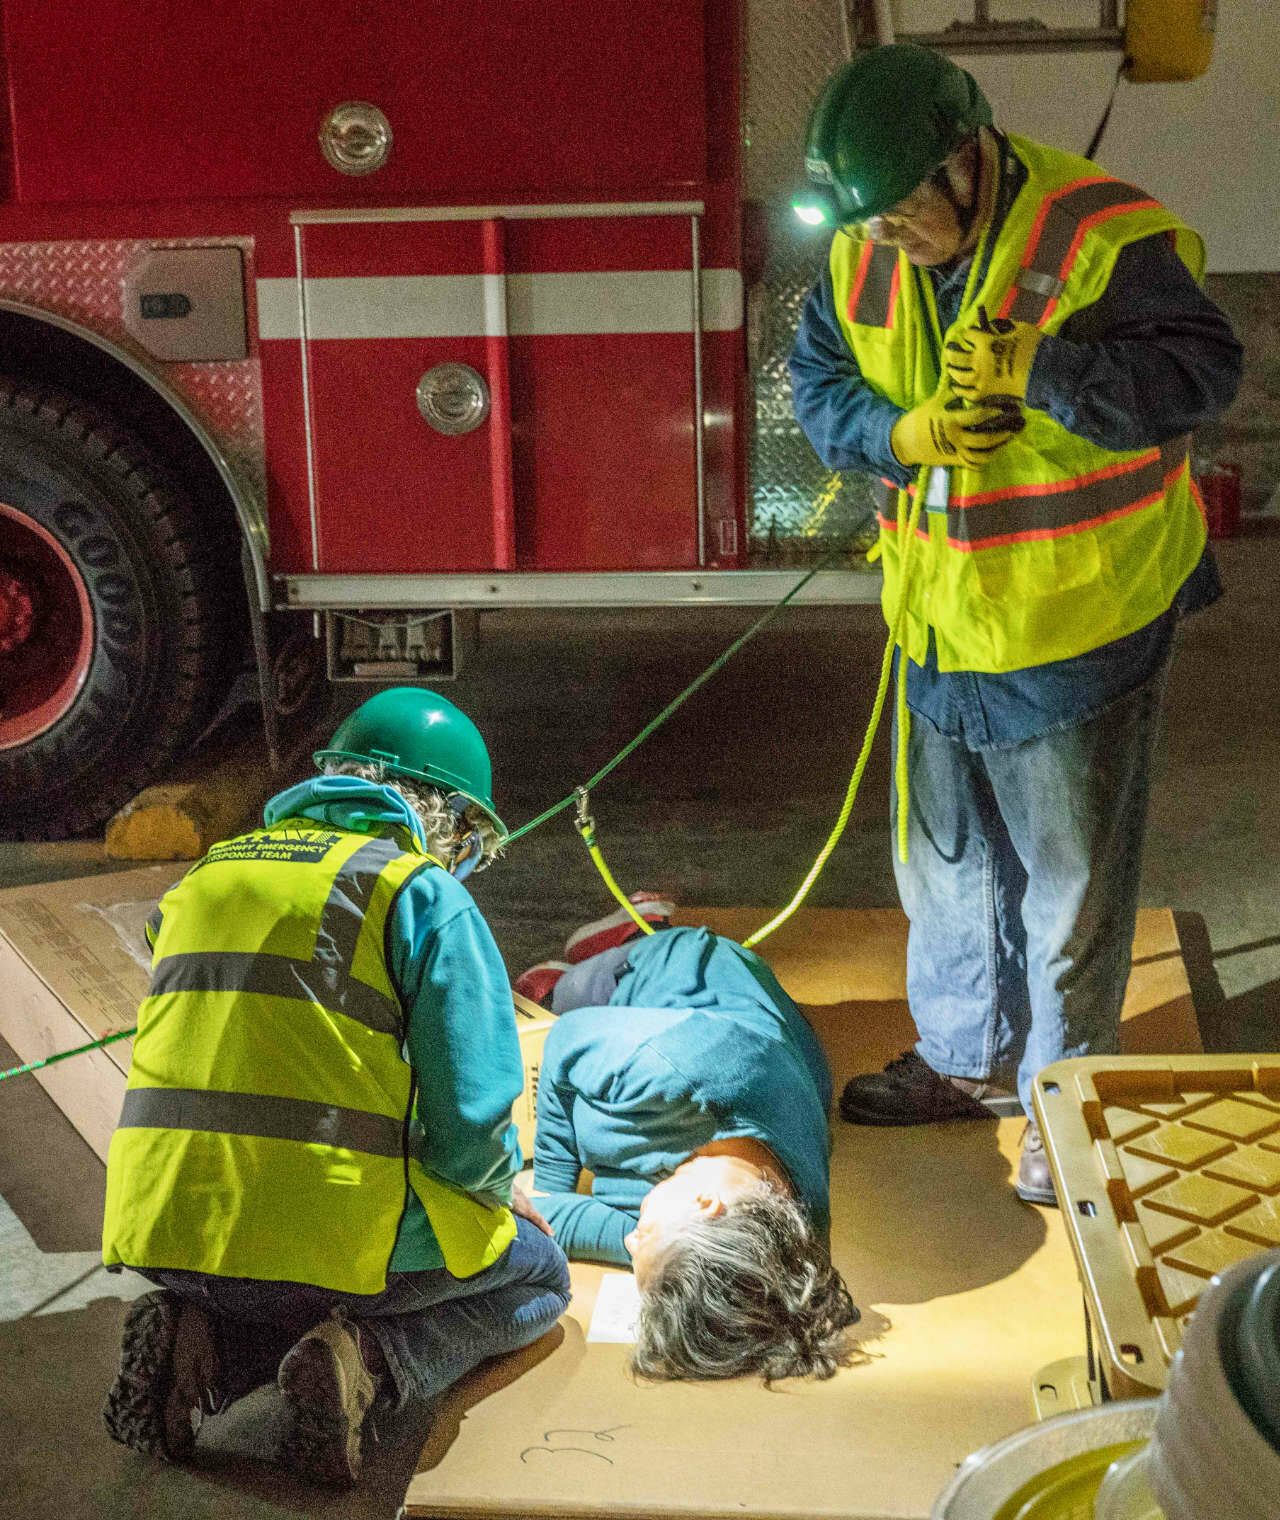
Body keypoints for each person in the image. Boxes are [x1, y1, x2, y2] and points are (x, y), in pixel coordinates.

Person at [788, 45, 1242, 1205]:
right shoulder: (856, 247)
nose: (884, 241)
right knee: (941, 869)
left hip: (1077, 620)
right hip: (939, 620)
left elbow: (1197, 374)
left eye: (902, 217)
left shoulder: (1101, 235)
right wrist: (904, 437)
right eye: (867, 223)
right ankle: (965, 1059)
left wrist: (1045, 369)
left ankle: (1062, 1102)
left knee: (1067, 889)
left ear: (963, 160)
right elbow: (821, 384)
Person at [100, 688, 570, 1486]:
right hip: (330, 1251)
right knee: (536, 1277)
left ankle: (198, 1331)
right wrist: (496, 1197)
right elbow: (471, 1119)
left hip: (167, 1233)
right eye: (466, 836)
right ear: (443, 813)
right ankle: (369, 1366)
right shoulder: (420, 895)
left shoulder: (206, 876)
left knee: (280, 1268)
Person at [524, 907, 860, 1383]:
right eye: (644, 1238)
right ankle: (630, 933)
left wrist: (541, 1214)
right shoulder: (673, 1068)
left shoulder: (764, 1243)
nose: (628, 1239)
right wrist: (548, 1183)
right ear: (706, 1203)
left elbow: (574, 1222)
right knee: (549, 996)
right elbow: (567, 1041)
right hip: (674, 974)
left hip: (777, 1040)